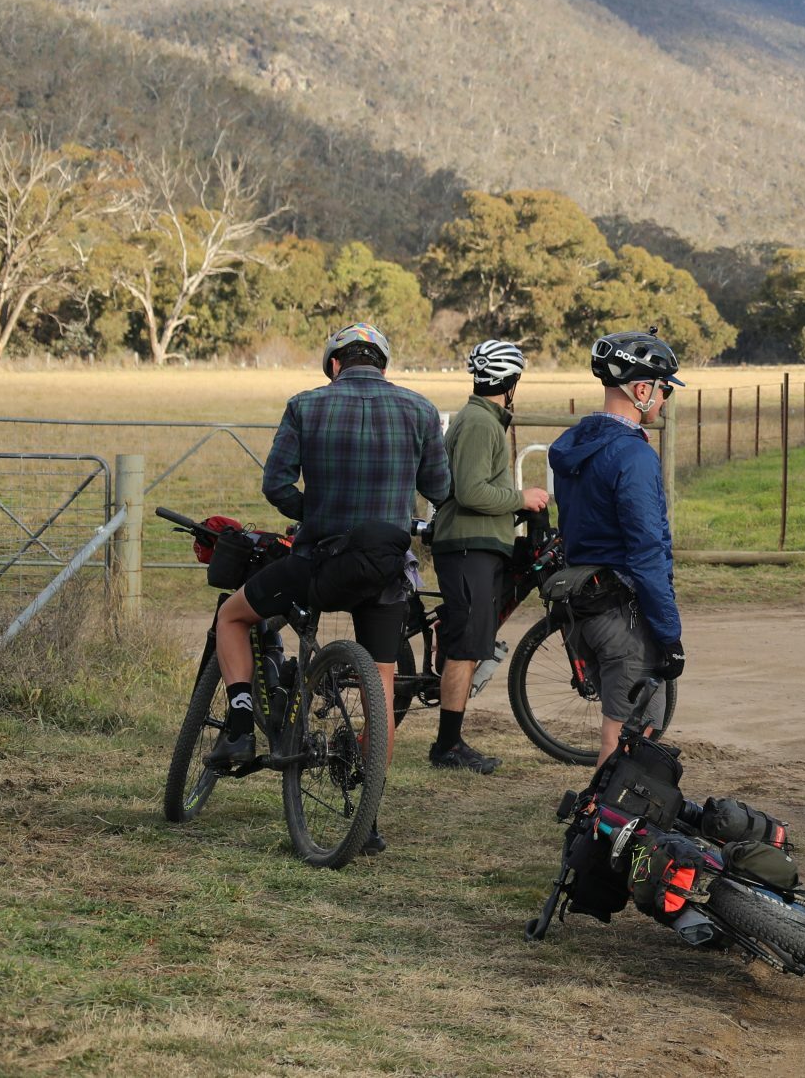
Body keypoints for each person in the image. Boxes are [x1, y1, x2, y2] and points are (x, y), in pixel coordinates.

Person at [211, 322, 450, 855]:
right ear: (383, 366)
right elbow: (440, 489)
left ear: (334, 365)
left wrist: (313, 512)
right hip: (385, 567)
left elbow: (276, 484)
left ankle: (243, 718)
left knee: (232, 615)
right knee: (381, 684)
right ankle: (365, 815)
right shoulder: (420, 410)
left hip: (318, 562)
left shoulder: (305, 405)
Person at [548, 330, 687, 764]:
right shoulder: (634, 457)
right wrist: (670, 634)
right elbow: (647, 554)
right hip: (621, 612)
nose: (664, 399)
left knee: (622, 729)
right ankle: (607, 828)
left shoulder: (577, 445)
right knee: (625, 737)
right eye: (663, 389)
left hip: (581, 607)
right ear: (641, 389)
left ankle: (611, 819)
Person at [426, 339, 551, 774]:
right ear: (511, 382)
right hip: (468, 545)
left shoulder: (480, 418)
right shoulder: (480, 423)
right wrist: (521, 497)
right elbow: (472, 490)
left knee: (469, 639)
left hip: (477, 544)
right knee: (465, 647)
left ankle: (450, 740)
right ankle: (447, 747)